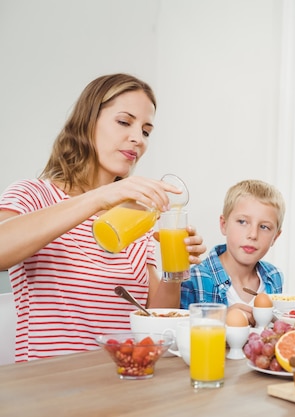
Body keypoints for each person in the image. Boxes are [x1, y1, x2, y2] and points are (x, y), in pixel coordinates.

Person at [0, 73, 206, 362]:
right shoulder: (33, 195)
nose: (138, 139)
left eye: (146, 131)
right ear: (87, 122)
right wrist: (97, 198)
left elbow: (155, 317)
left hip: (123, 380)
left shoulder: (135, 218)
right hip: (48, 389)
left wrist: (176, 268)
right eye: (124, 122)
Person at [180, 179, 285, 325]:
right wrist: (219, 319)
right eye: (242, 222)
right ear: (224, 225)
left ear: (276, 237)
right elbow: (177, 332)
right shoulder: (195, 279)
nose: (253, 234)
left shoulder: (275, 277)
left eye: (264, 227)